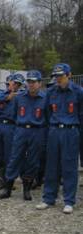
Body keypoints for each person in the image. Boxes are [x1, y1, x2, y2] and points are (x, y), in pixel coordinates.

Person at [36, 63, 83, 214]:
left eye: (61, 76)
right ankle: (49, 198)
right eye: (56, 77)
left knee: (69, 166)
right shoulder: (51, 92)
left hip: (71, 131)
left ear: (69, 75)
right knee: (52, 165)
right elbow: (47, 113)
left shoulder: (78, 92)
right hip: (54, 130)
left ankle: (69, 200)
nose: (58, 79)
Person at [0, 70, 47, 201]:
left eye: (34, 82)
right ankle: (8, 188)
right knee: (15, 158)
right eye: (29, 82)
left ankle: (27, 189)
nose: (31, 84)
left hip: (37, 131)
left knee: (32, 160)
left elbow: (48, 117)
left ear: (40, 83)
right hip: (21, 130)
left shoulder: (45, 99)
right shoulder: (19, 97)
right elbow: (13, 115)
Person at [0, 73, 25, 190]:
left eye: (18, 84)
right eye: (13, 82)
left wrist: (16, 95)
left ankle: (9, 180)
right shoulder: (1, 93)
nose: (15, 85)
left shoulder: (21, 95)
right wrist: (7, 97)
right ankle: (1, 180)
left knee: (9, 154)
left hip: (11, 126)